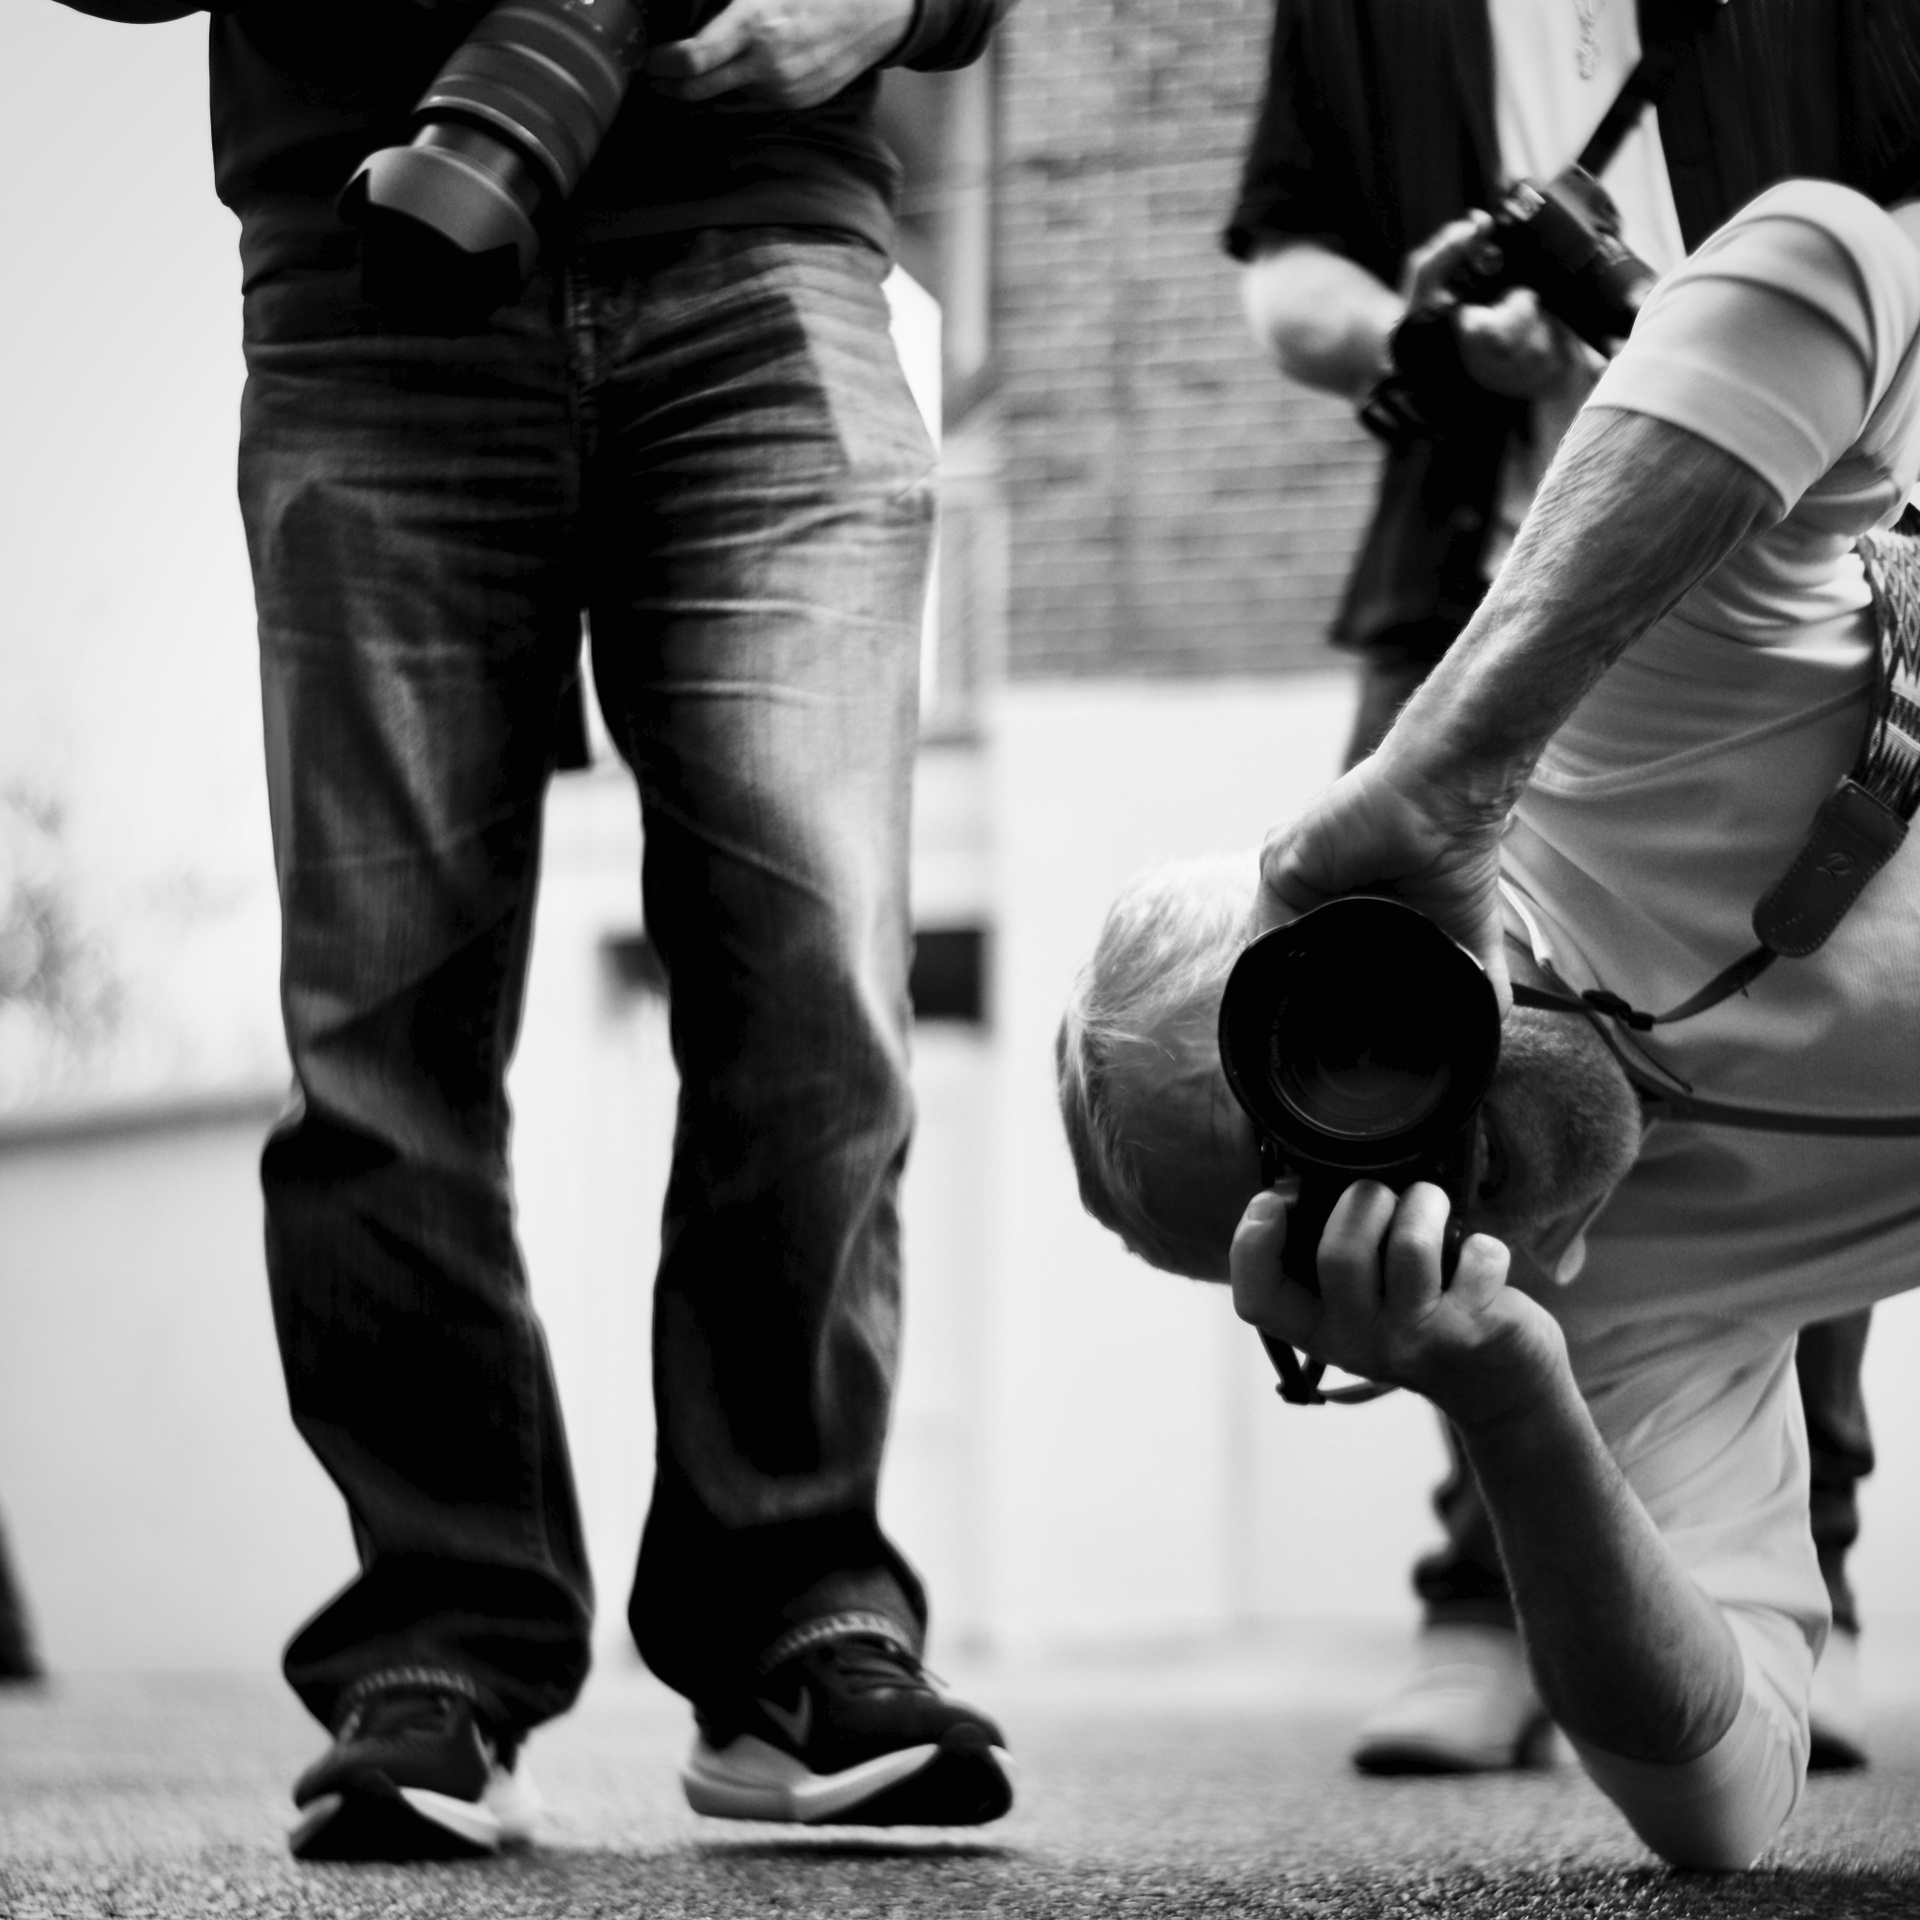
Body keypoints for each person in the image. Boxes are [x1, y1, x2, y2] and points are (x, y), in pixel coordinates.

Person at [57, 0, 1015, 1861]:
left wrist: (894, 2)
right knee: (382, 1030)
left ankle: (792, 1616)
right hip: (376, 251)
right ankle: (441, 1646)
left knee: (815, 998)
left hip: (767, 254)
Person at [1059, 179, 1920, 1868]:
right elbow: (1725, 1799)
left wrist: (1456, 759)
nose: (1393, 1143)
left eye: (1317, 1061)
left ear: (1339, 932)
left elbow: (1838, 254)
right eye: (1307, 1187)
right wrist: (1514, 1410)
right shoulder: (1596, 1320)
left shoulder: (1602, 719)